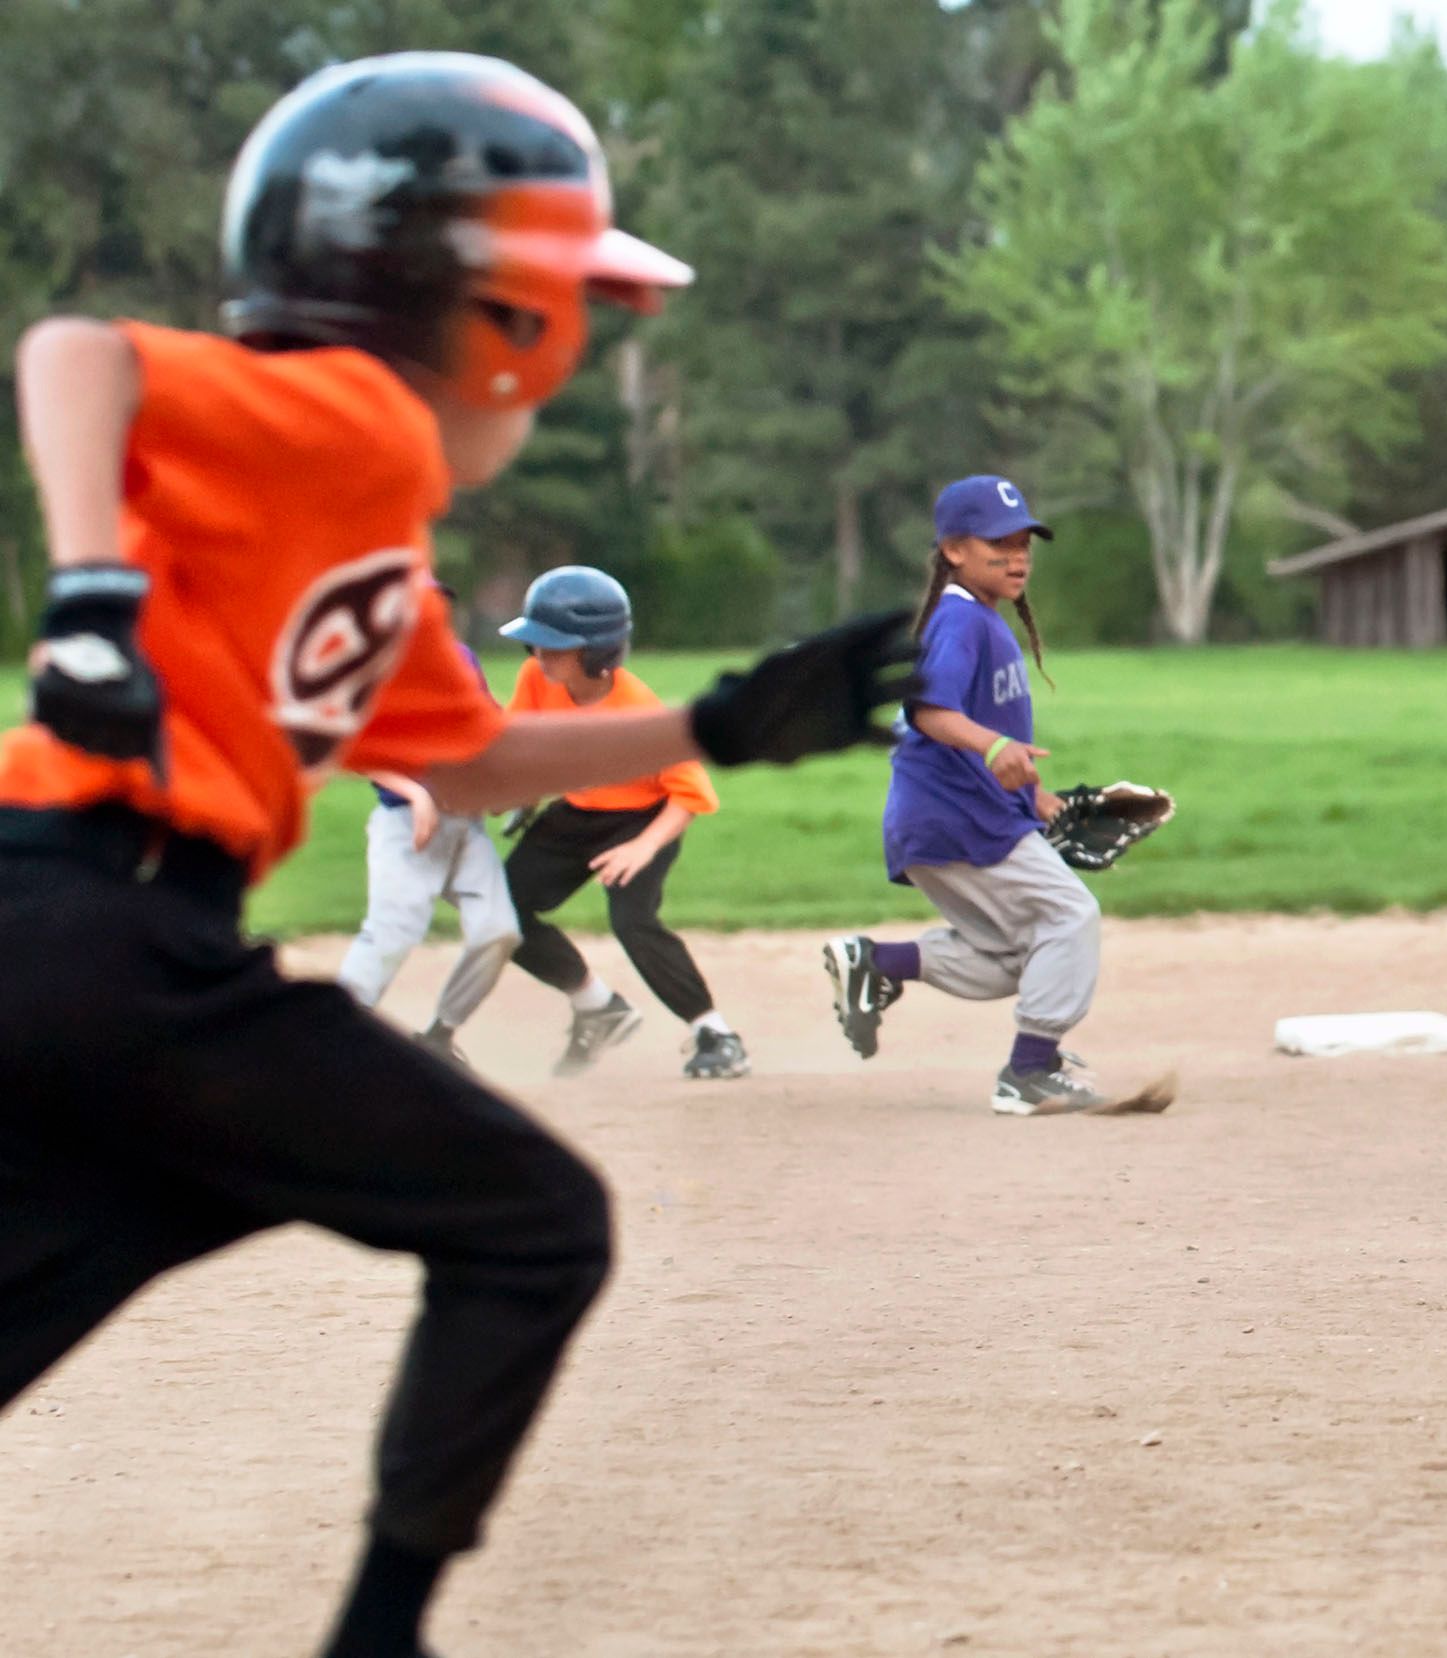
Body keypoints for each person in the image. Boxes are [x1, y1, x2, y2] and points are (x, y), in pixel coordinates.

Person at [0, 53, 910, 1658]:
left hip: (80, 931)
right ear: (494, 314)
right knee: (532, 1222)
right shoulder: (349, 412)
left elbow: (465, 754)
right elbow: (77, 355)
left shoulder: (365, 526)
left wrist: (714, 720)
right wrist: (85, 605)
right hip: (104, 924)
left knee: (94, 1233)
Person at [820, 475, 1122, 1115]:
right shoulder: (958, 621)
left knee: (1023, 956)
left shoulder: (976, 620)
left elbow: (990, 733)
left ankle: (879, 963)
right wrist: (991, 747)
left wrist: (1039, 802)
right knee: (1071, 917)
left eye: (1023, 545)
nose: (1016, 558)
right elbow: (928, 708)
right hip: (958, 821)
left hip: (945, 820)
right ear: (954, 550)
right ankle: (1029, 1072)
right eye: (998, 545)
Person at [498, 565, 748, 1080]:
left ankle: (715, 1033)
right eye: (535, 643)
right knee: (502, 912)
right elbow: (527, 741)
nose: (539, 656)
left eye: (554, 645)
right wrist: (522, 796)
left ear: (597, 650)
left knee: (632, 919)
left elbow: (690, 794)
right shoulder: (536, 679)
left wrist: (644, 847)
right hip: (578, 811)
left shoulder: (637, 709)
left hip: (644, 818)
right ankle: (597, 1006)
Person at [336, 586, 518, 1067]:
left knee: (498, 932)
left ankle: (440, 1033)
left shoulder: (461, 661)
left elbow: (487, 729)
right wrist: (415, 793)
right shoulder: (376, 671)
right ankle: (327, 1042)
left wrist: (506, 786)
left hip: (465, 824)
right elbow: (351, 749)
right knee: (392, 932)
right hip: (405, 824)